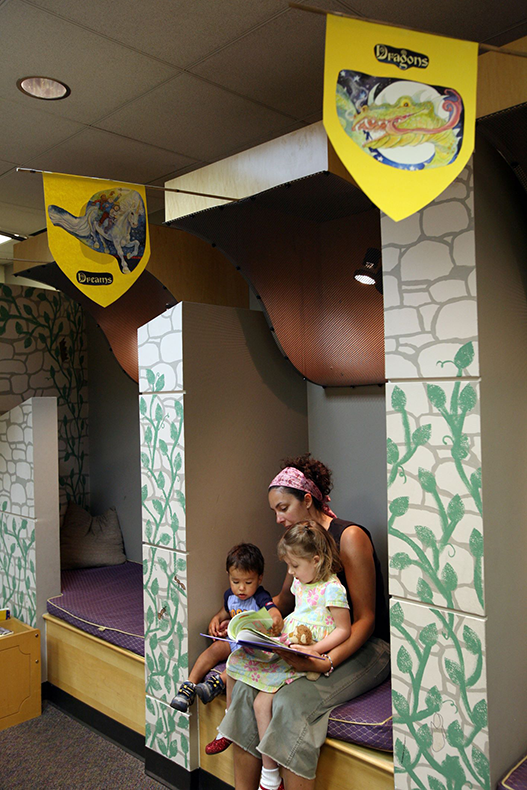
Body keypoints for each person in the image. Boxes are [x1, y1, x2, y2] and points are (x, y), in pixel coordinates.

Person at [216, 454, 390, 790]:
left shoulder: (349, 537)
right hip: (313, 642)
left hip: (365, 646)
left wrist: (325, 660)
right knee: (245, 690)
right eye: (275, 511)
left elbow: (366, 620)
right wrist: (240, 620)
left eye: (283, 508)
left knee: (289, 702)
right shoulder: (300, 544)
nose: (278, 518)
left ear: (307, 500)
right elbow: (283, 601)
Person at [226, 522, 351, 790]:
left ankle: (270, 778)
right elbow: (295, 612)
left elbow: (344, 629)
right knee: (235, 663)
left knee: (263, 703)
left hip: (308, 652)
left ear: (316, 560)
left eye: (294, 565)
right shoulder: (300, 582)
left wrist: (316, 650)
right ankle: (259, 762)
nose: (290, 572)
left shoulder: (332, 589)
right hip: (290, 645)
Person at [170, 543, 283, 720]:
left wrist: (276, 618)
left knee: (238, 662)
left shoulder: (260, 596)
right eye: (235, 582)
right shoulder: (230, 595)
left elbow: (272, 610)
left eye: (248, 582)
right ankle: (189, 685)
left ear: (259, 578)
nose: (241, 588)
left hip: (251, 648)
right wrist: (216, 619)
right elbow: (224, 611)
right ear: (228, 576)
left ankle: (217, 684)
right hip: (232, 641)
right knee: (214, 649)